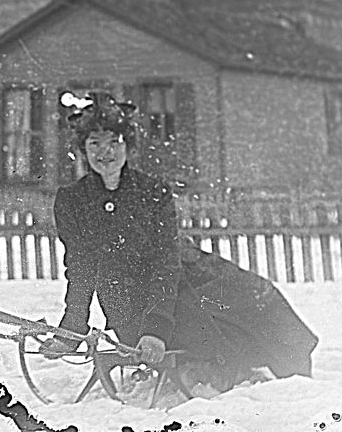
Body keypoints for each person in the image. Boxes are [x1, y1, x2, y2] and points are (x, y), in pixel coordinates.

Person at [40, 91, 318, 397]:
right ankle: (217, 367)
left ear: (127, 146)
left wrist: (155, 328)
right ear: (83, 149)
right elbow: (80, 268)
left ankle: (281, 376)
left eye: (114, 142)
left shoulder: (153, 192)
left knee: (255, 298)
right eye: (94, 143)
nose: (105, 153)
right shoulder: (72, 200)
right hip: (128, 298)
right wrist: (72, 329)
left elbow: (166, 262)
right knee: (202, 330)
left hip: (178, 278)